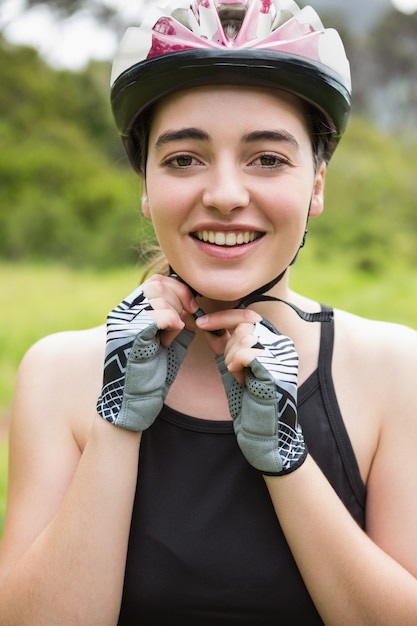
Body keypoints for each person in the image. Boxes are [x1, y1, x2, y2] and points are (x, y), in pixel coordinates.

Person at [1, 0, 417, 623]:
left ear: (318, 184)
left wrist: (288, 459)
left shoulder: (395, 369)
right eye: (183, 159)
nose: (224, 195)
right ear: (145, 184)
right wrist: (118, 422)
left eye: (268, 158)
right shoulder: (58, 375)